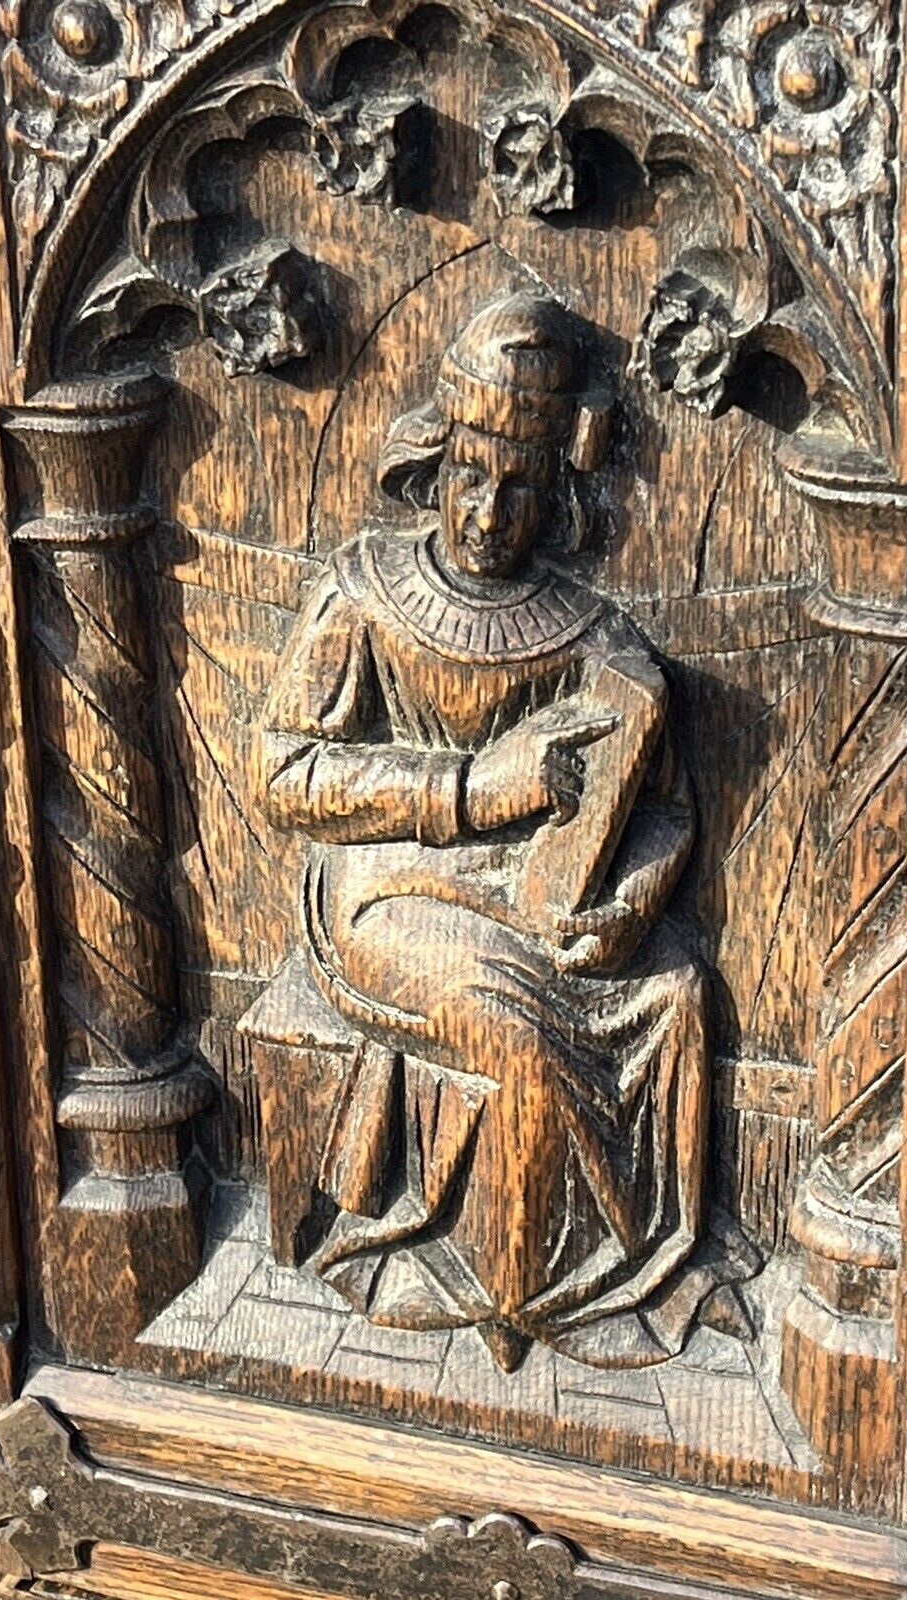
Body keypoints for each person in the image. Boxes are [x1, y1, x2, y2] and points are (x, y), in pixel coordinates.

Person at [254, 293, 745, 1371]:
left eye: (521, 489)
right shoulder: (366, 595)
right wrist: (475, 787)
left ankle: (633, 1270)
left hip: (540, 898)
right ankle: (511, 1295)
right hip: (388, 889)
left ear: (561, 496)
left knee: (673, 997)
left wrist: (627, 904)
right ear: (430, 466)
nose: (488, 513)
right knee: (516, 1034)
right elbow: (283, 772)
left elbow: (662, 808)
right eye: (470, 479)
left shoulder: (592, 634)